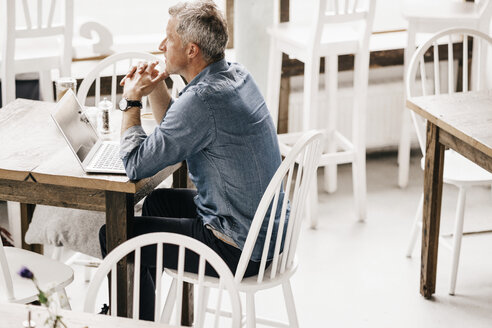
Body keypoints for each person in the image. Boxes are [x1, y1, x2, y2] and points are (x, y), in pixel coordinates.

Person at [98, 0, 285, 320]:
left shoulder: (202, 100)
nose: (160, 45)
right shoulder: (235, 74)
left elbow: (134, 164)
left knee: (113, 234)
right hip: (269, 237)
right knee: (156, 203)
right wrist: (156, 87)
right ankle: (141, 314)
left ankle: (131, 320)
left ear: (191, 50)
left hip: (239, 251)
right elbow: (178, 126)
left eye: (168, 38)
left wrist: (132, 100)